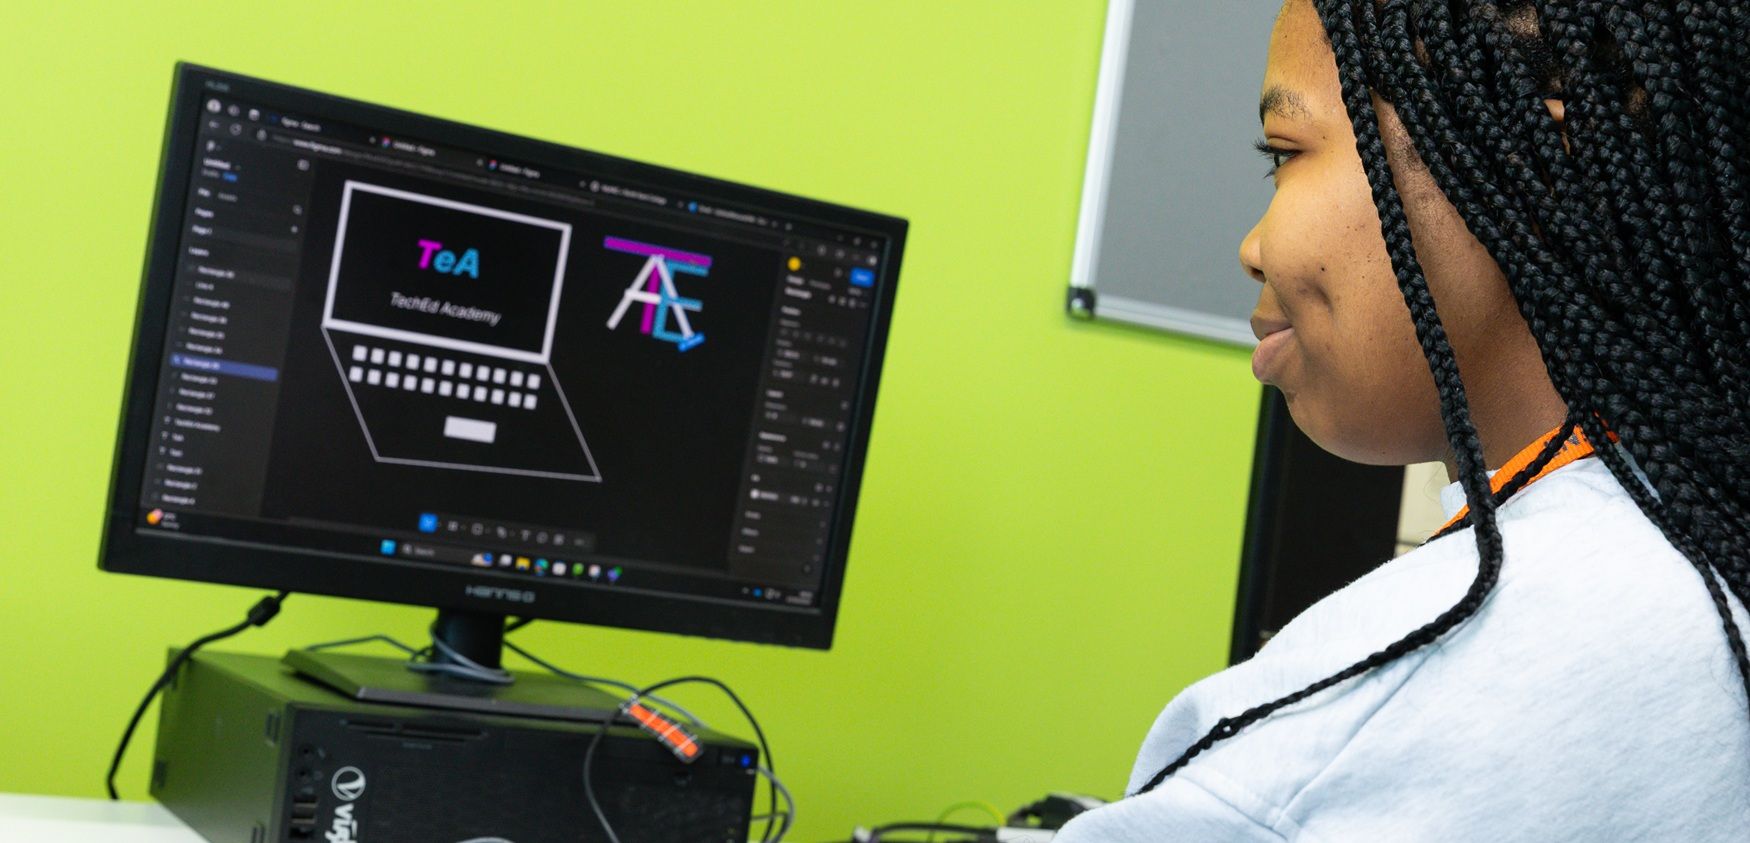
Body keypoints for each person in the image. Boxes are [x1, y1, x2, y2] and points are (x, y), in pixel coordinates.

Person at [1055, 0, 1750, 839]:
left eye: (1283, 154)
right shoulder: (1711, 566)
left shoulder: (1349, 733)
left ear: (1523, 159)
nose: (1251, 245)